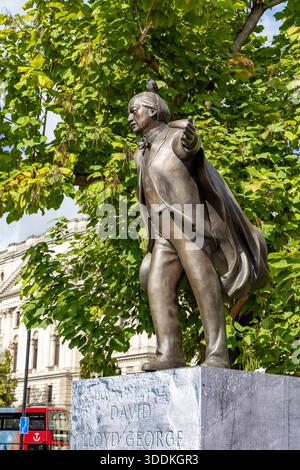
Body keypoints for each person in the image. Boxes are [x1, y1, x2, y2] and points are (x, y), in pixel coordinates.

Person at [128, 81, 268, 372]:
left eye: (134, 110)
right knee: (157, 288)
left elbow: (189, 146)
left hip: (189, 225)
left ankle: (217, 354)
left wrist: (191, 140)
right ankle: (169, 354)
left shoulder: (175, 138)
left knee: (204, 286)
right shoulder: (139, 154)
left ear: (152, 110)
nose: (130, 117)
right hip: (161, 234)